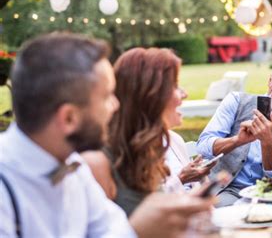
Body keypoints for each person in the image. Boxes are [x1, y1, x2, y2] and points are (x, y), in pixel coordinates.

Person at [0, 33, 212, 238]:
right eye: (107, 97)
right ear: (69, 119)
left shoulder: (74, 168)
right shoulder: (6, 185)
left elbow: (109, 230)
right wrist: (138, 231)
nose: (116, 105)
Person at [82, 47, 214, 215]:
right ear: (150, 97)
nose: (185, 94)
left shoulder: (149, 149)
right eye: (174, 86)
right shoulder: (99, 162)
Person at [196, 60, 272, 207]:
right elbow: (203, 146)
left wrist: (268, 140)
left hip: (267, 195)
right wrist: (238, 140)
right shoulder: (236, 101)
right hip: (225, 189)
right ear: (270, 81)